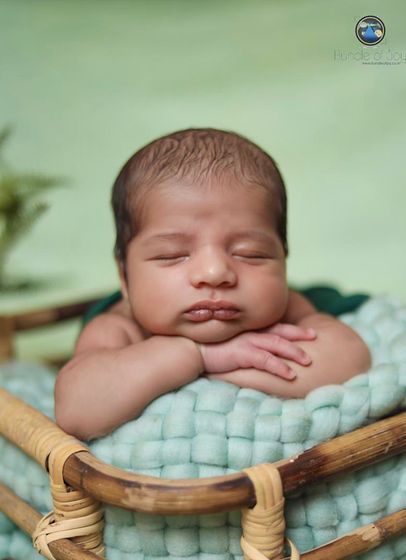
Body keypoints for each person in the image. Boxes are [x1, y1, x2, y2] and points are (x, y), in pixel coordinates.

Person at [55, 128, 371, 441]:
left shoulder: (286, 306)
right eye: (172, 255)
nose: (214, 272)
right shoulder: (118, 325)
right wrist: (200, 356)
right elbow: (76, 408)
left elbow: (350, 360)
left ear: (283, 260)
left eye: (251, 254)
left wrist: (230, 365)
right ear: (124, 277)